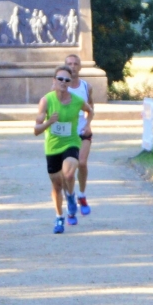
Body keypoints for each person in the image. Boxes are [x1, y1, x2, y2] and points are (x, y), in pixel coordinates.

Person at [34, 66, 92, 233]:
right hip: (52, 147)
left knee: (68, 174)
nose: (63, 82)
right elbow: (36, 130)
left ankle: (72, 196)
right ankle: (59, 217)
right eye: (60, 79)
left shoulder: (77, 100)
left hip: (71, 143)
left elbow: (90, 111)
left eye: (67, 80)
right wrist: (48, 123)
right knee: (57, 185)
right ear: (54, 80)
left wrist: (87, 126)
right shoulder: (46, 101)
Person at [64, 53, 94, 214]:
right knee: (67, 173)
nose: (72, 66)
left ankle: (81, 194)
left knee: (82, 163)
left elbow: (91, 108)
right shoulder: (61, 87)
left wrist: (88, 124)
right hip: (67, 135)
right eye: (69, 63)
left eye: (76, 64)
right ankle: (70, 197)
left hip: (83, 132)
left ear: (80, 67)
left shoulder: (86, 87)